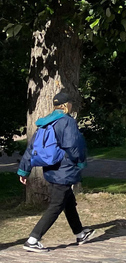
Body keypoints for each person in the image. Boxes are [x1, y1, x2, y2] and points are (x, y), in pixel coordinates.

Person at [17, 91, 94, 253]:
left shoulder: (46, 122)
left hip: (51, 168)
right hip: (64, 169)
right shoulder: (67, 122)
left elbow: (32, 148)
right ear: (67, 105)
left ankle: (80, 234)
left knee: (68, 201)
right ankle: (33, 239)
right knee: (57, 205)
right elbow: (73, 146)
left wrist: (24, 170)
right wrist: (80, 162)